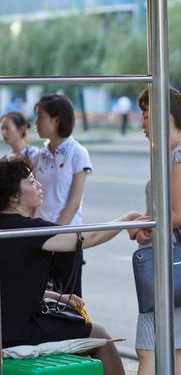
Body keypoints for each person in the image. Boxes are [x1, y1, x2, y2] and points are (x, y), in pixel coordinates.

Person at [0, 158, 142, 375]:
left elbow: (12, 281)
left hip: (7, 324)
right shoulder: (32, 231)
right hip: (22, 330)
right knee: (101, 336)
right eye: (30, 181)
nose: (39, 185)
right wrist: (128, 219)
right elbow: (89, 238)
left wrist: (55, 295)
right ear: (13, 197)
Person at [130, 87, 181, 375]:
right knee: (175, 348)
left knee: (148, 348)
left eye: (147, 117)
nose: (142, 125)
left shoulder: (179, 156)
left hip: (169, 264)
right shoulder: (172, 153)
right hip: (172, 261)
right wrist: (147, 221)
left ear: (165, 116)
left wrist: (147, 224)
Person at [31, 94, 93, 297]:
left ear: (56, 120)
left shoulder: (78, 153)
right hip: (40, 240)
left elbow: (73, 202)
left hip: (66, 240)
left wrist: (54, 235)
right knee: (39, 299)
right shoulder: (39, 156)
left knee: (69, 302)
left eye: (40, 117)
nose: (36, 123)